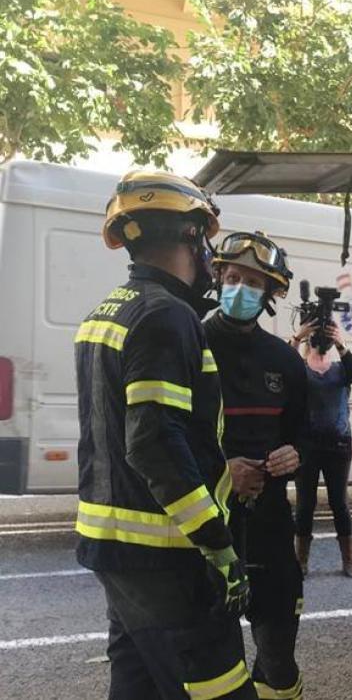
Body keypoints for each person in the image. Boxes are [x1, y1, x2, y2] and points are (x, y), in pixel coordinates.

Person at [75, 170, 258, 699]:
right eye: (207, 239)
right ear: (190, 235)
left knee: (138, 686)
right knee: (220, 689)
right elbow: (154, 443)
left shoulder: (106, 312)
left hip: (117, 552)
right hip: (167, 555)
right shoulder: (167, 316)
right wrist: (217, 544)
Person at [204, 231, 309, 700]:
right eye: (232, 277)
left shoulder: (284, 360)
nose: (240, 289)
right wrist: (224, 471)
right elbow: (165, 443)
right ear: (218, 277)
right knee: (211, 662)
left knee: (278, 657)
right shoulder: (191, 342)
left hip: (268, 526)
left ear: (270, 294)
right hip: (206, 526)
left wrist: (295, 454)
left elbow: (302, 434)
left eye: (253, 282)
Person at [291, 319, 352, 578]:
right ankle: (301, 561)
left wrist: (342, 344)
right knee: (305, 505)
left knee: (339, 503)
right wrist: (298, 338)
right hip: (306, 446)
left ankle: (350, 560)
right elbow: (286, 366)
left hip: (338, 445)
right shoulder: (300, 369)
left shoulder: (340, 369)